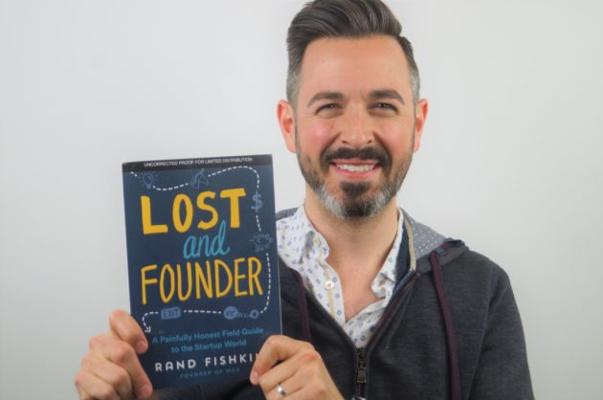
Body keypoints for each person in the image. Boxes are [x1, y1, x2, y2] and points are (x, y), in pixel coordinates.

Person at [74, 0, 534, 399]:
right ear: (289, 125)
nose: (356, 135)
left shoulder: (482, 291)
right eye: (329, 106)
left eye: (383, 106)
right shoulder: (208, 281)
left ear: (418, 124)